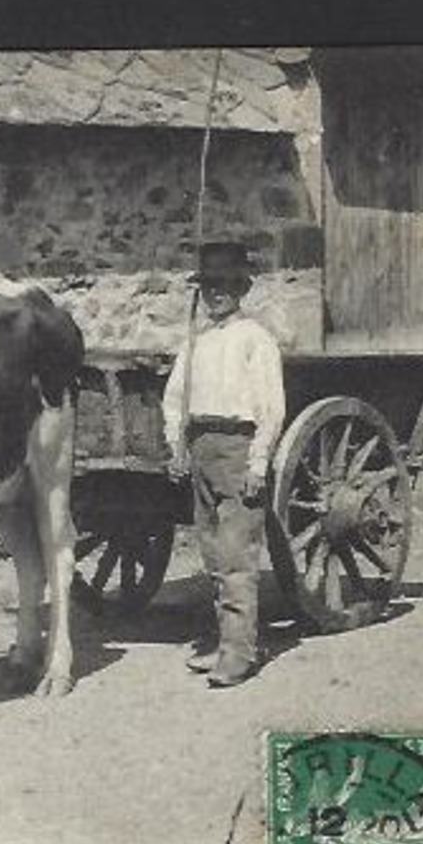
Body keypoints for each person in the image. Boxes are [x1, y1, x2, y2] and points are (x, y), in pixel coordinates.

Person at [161, 242, 286, 687]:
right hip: (201, 448)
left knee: (237, 554)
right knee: (213, 554)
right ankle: (225, 641)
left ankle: (240, 654)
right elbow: (175, 399)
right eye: (209, 285)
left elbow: (270, 407)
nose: (216, 293)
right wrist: (176, 445)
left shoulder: (255, 339)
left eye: (226, 285)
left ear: (242, 289)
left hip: (237, 448)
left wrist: (257, 465)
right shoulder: (196, 342)